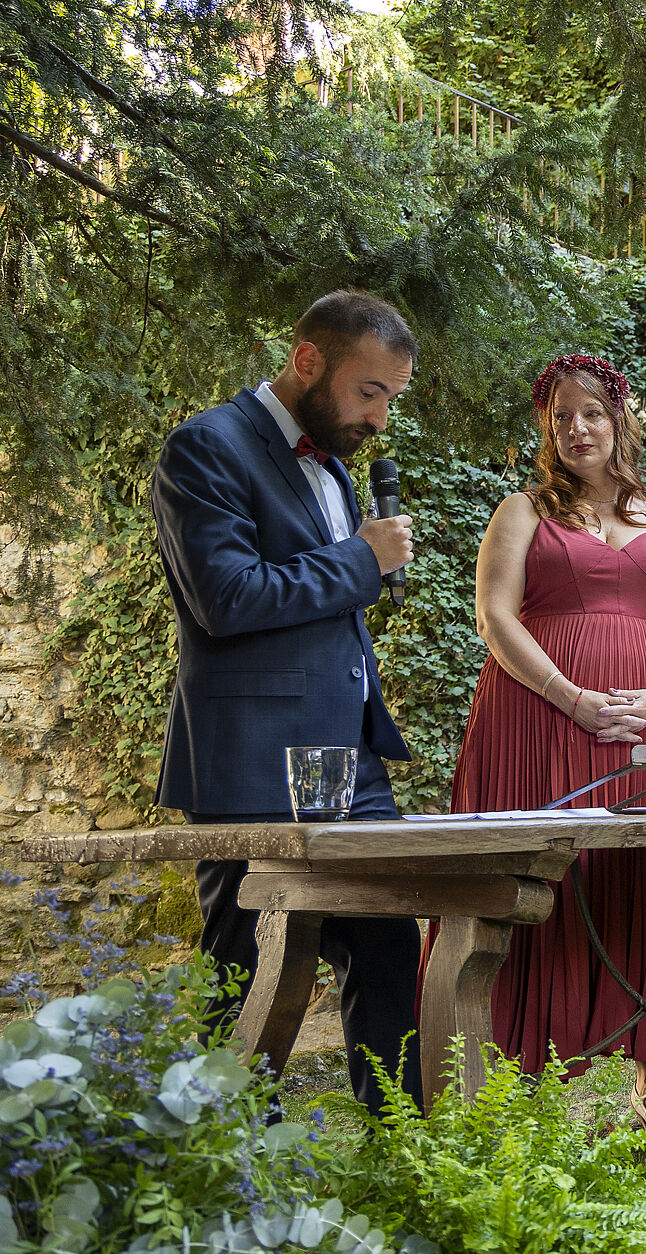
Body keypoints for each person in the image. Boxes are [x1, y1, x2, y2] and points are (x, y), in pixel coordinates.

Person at [152, 289, 423, 1116]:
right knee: (247, 966)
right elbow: (225, 597)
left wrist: (358, 566)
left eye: (392, 399)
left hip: (350, 762)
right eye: (370, 391)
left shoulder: (333, 462)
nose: (380, 418)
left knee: (386, 942)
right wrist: (359, 562)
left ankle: (405, 1151)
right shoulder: (206, 448)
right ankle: (231, 1166)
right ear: (308, 361)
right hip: (251, 759)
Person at [436, 353, 646, 1127]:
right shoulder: (522, 511)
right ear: (546, 430)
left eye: (591, 412)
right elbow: (495, 617)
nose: (576, 428)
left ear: (619, 419)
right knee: (539, 881)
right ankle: (513, 1072)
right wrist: (573, 698)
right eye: (560, 417)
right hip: (540, 719)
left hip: (644, 730)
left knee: (640, 882)